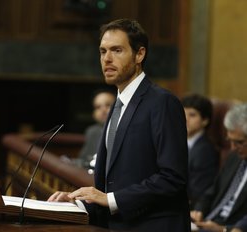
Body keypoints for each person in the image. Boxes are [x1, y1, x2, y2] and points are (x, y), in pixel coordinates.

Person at [48, 18, 190, 231]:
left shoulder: (162, 102)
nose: (107, 59)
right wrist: (77, 204)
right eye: (103, 51)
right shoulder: (117, 104)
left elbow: (173, 178)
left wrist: (111, 199)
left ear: (139, 54)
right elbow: (111, 184)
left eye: (116, 50)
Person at [191, 103, 247, 232]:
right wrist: (199, 210)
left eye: (239, 142)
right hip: (208, 221)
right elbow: (213, 190)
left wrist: (223, 229)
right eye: (230, 140)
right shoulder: (235, 157)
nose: (232, 148)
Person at [181, 93, 220, 208]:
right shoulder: (175, 142)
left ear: (205, 121)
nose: (185, 119)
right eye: (182, 113)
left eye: (192, 115)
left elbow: (198, 193)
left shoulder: (205, 151)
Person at [73, 89, 116, 169]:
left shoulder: (125, 131)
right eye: (98, 107)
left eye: (108, 105)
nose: (103, 110)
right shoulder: (91, 131)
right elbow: (84, 159)